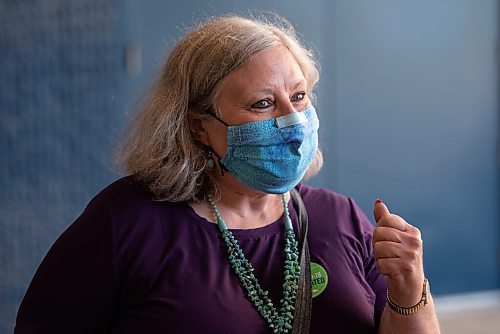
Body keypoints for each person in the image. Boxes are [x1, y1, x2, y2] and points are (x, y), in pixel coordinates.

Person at [15, 14, 440, 334]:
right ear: (199, 126)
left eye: (298, 96)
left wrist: (408, 286)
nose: (293, 121)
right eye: (262, 104)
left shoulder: (340, 218)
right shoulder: (127, 223)